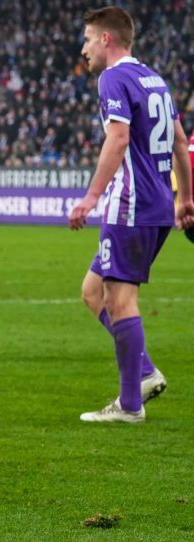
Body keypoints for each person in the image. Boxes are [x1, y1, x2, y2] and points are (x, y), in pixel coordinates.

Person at [68, 7, 194, 422]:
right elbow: (180, 141)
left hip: (131, 205)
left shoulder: (113, 77)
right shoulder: (154, 79)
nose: (84, 48)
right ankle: (144, 372)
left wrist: (90, 197)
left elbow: (118, 137)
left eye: (88, 38)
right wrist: (185, 198)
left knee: (120, 301)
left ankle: (129, 404)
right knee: (93, 291)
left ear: (106, 39)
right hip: (158, 206)